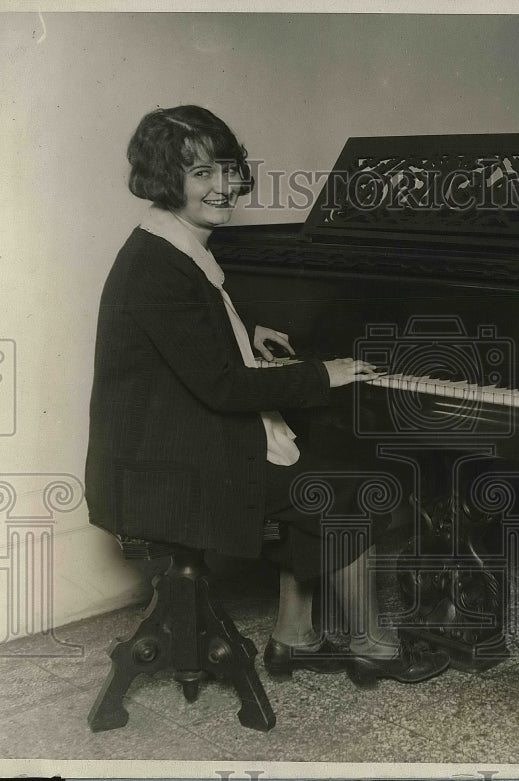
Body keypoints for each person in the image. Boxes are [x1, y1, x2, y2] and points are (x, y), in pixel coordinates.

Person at [85, 105, 449, 687]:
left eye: (227, 168)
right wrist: (321, 374)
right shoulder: (157, 264)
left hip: (162, 450)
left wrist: (242, 334)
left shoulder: (169, 246)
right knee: (355, 485)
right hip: (158, 473)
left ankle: (294, 636)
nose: (224, 186)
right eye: (200, 173)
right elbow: (224, 386)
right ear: (163, 179)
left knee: (327, 465)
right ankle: (374, 647)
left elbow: (196, 335)